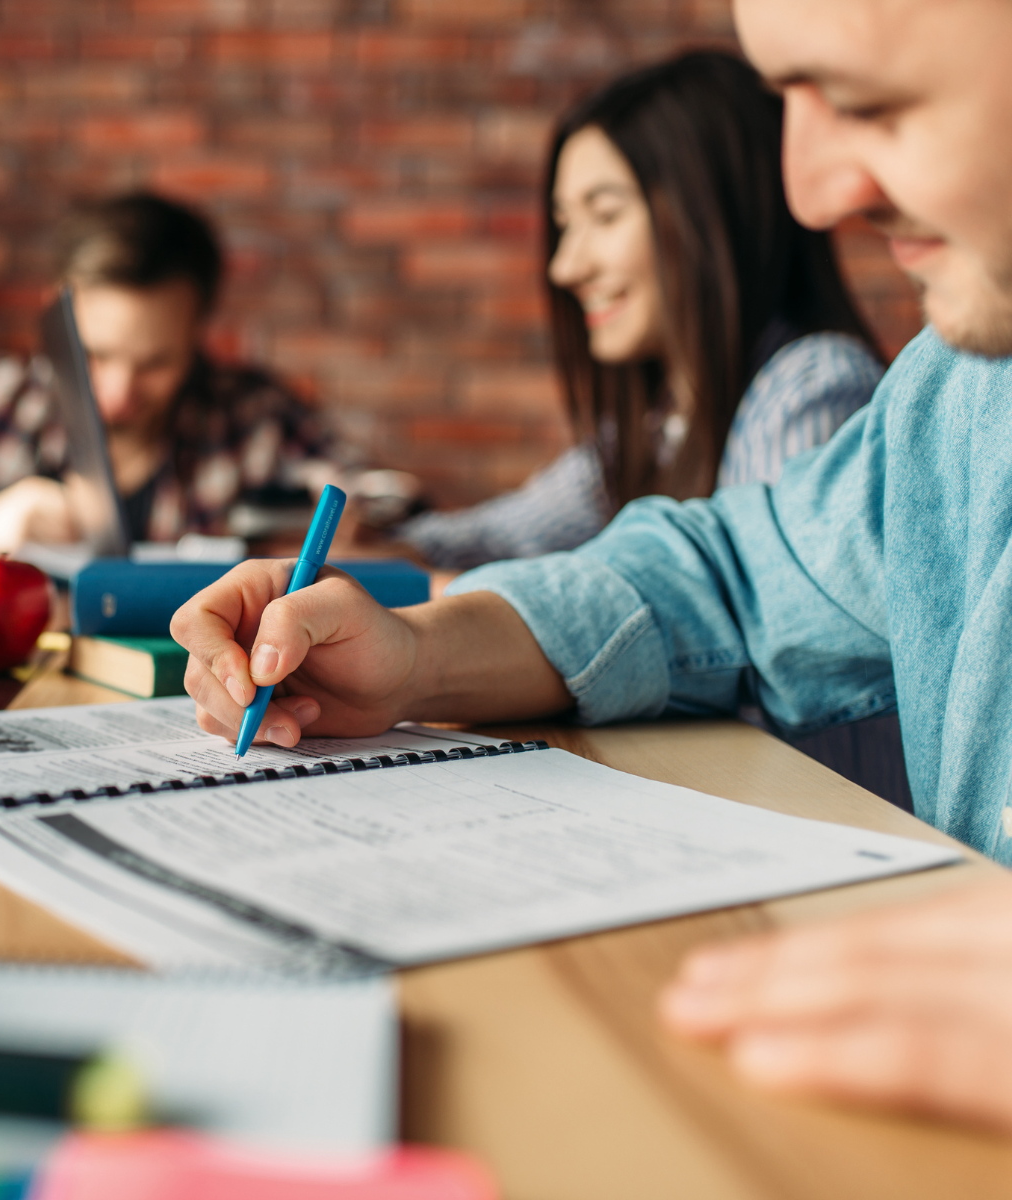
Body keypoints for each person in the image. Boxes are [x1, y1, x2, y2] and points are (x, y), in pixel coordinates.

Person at [169, 0, 1012, 1133]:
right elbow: (720, 573)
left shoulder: (815, 379)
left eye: (867, 101)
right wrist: (418, 653)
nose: (811, 193)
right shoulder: (957, 395)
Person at [398, 52, 883, 571]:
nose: (565, 268)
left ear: (714, 214)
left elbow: (748, 626)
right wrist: (381, 541)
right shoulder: (664, 420)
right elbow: (499, 534)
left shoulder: (810, 388)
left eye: (604, 216)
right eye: (565, 225)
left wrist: (462, 604)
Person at [0, 192, 337, 552]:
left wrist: (347, 526)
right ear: (56, 315)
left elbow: (405, 517)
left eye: (155, 362)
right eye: (97, 354)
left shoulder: (256, 415)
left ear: (198, 330)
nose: (117, 393)